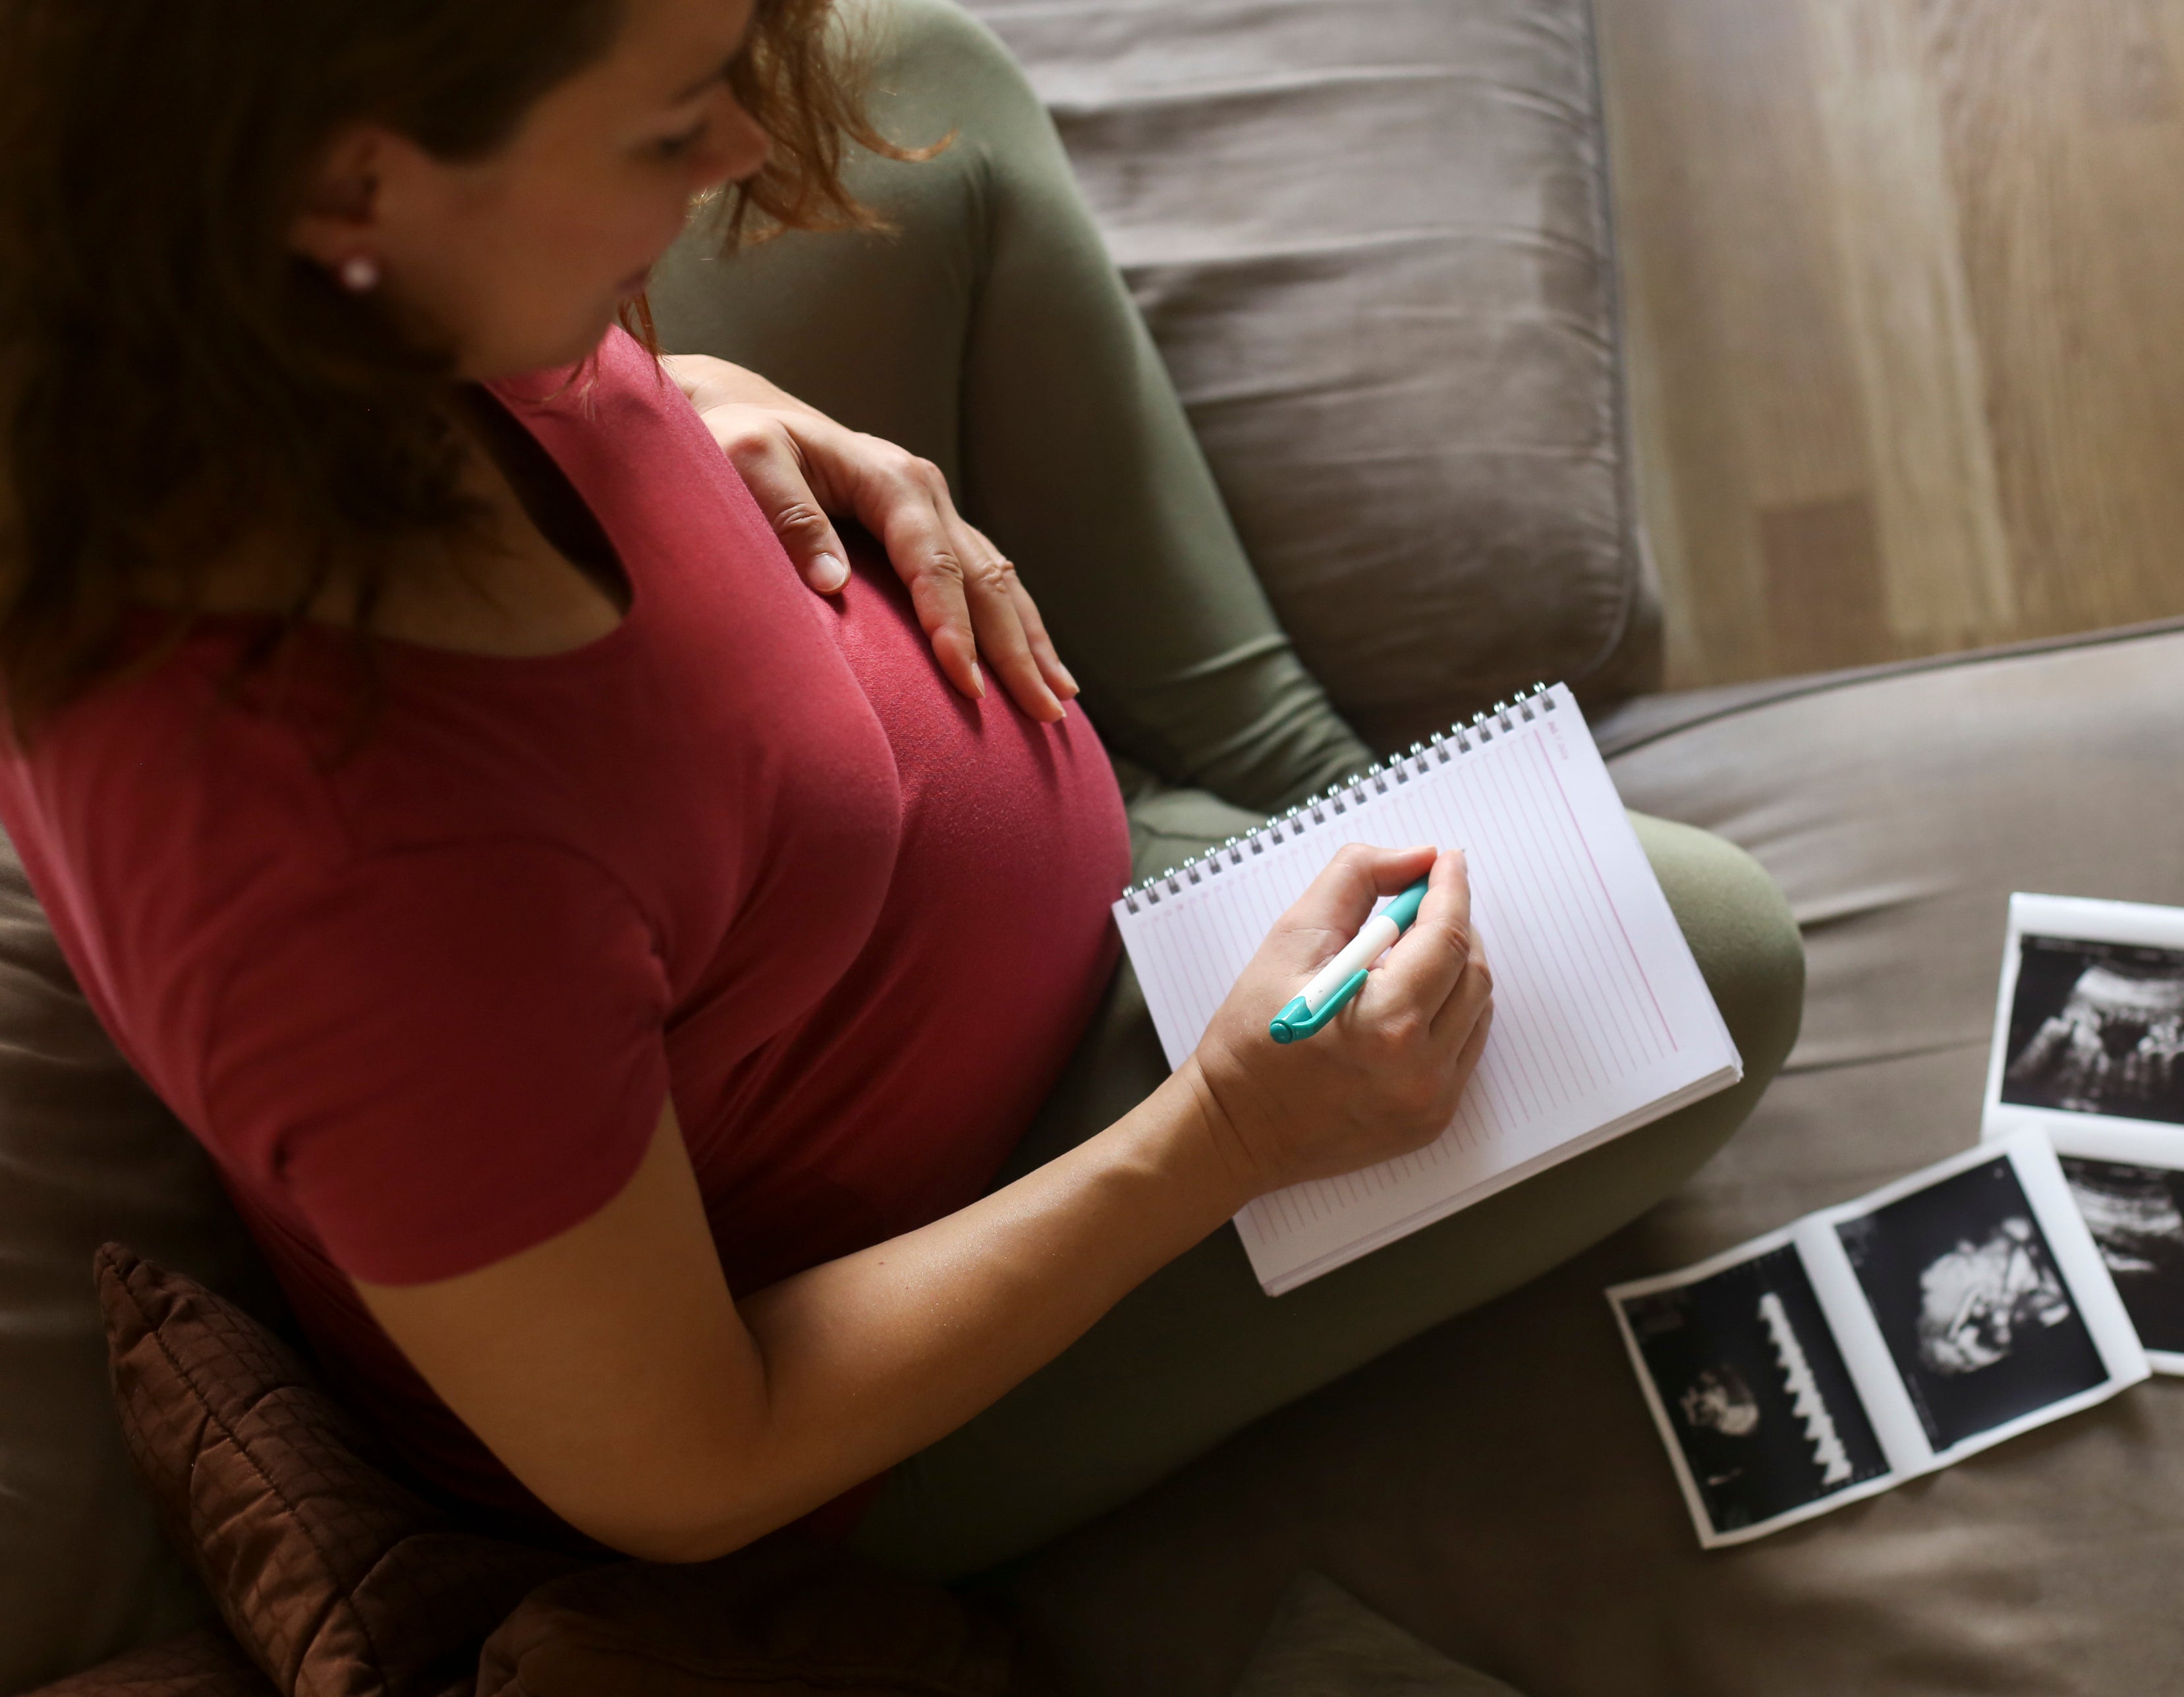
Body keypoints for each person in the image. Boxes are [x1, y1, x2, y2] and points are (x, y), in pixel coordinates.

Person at [0, 0, 1804, 1580]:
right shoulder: (351, 882)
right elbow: (690, 1472)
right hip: (876, 1315)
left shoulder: (255, 308)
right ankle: (1292, 867)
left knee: (912, 74)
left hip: (846, 840)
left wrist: (680, 391)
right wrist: (1231, 1140)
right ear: (341, 197)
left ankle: (1298, 803)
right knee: (1715, 953)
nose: (743, 151)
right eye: (661, 132)